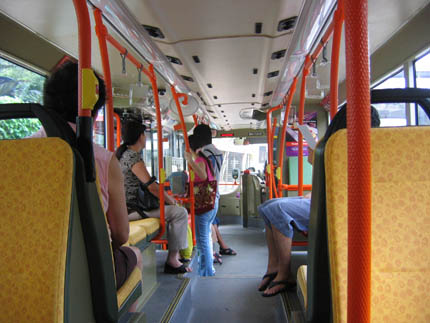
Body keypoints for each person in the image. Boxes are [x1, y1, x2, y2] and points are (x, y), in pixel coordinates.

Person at [34, 61, 142, 306]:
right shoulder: (103, 160)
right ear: (93, 110)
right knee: (133, 254)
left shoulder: (20, 153)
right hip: (84, 269)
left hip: (26, 264)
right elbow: (121, 234)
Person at [258, 104, 380, 297]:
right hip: (328, 198)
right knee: (266, 206)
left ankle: (284, 273)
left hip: (335, 206)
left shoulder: (347, 146)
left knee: (277, 208)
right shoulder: (336, 144)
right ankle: (273, 266)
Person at [116, 120, 191, 274]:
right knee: (180, 213)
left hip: (127, 208)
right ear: (140, 136)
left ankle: (175, 255)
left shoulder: (123, 155)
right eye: (144, 134)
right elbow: (152, 187)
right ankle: (173, 259)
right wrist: (172, 202)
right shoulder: (132, 157)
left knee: (173, 212)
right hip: (132, 210)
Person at [193, 124, 237, 259]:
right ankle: (212, 255)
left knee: (204, 231)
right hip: (215, 192)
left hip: (206, 194)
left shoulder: (204, 154)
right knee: (208, 226)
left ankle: (208, 261)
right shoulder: (217, 152)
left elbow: (203, 176)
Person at [184, 134, 218, 276]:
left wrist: (190, 161)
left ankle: (206, 271)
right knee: (206, 236)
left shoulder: (198, 160)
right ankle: (208, 268)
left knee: (202, 238)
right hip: (211, 201)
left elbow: (203, 177)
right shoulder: (206, 159)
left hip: (203, 204)